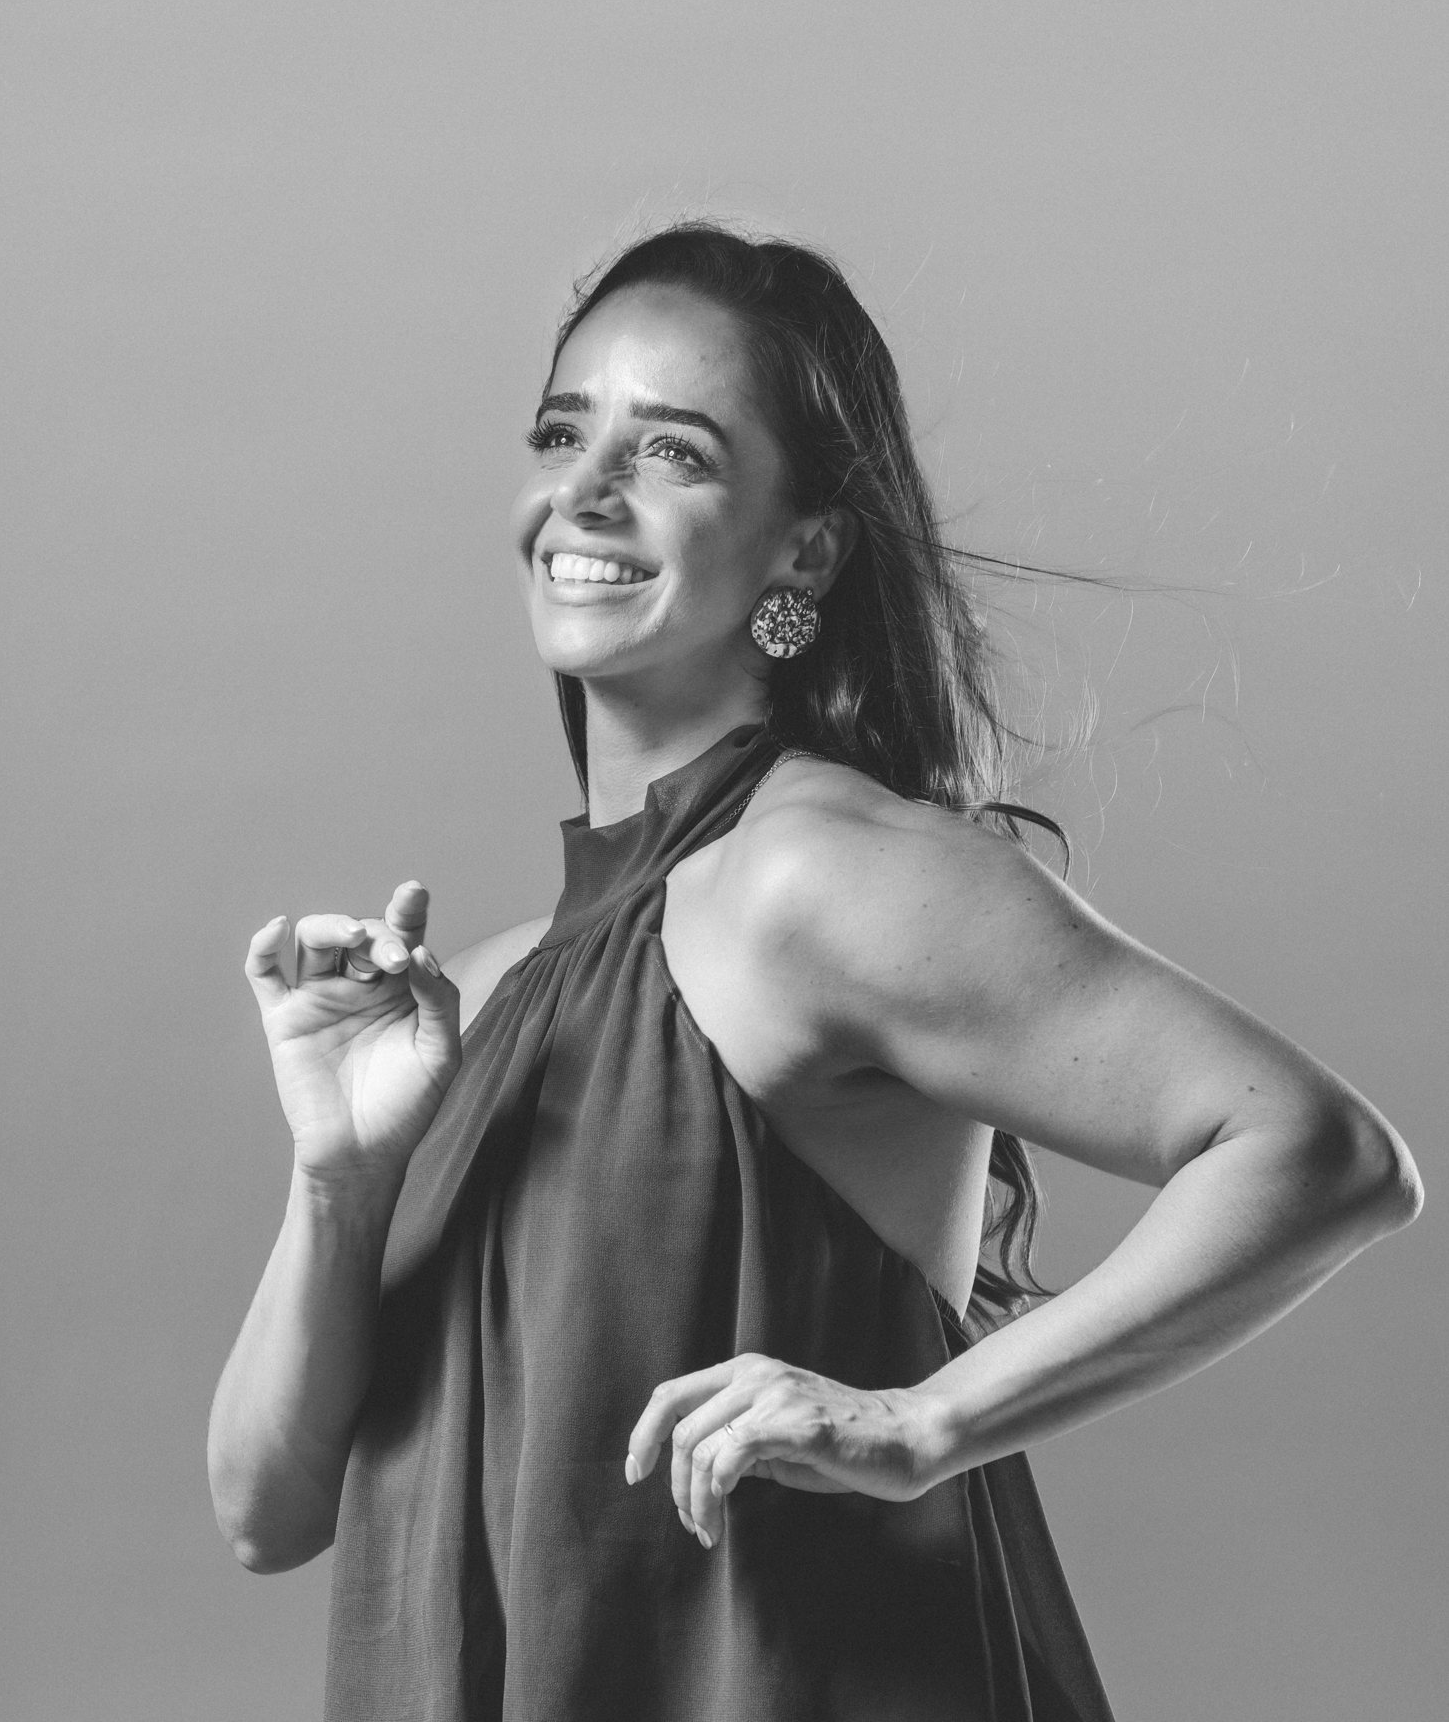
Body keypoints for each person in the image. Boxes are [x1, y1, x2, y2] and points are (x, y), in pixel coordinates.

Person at [208, 223, 1422, 1721]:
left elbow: (1323, 1155)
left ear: (807, 551)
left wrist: (924, 1423)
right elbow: (267, 1511)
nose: (586, 489)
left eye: (673, 452)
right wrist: (340, 1175)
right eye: (563, 432)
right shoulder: (491, 986)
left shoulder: (812, 875)